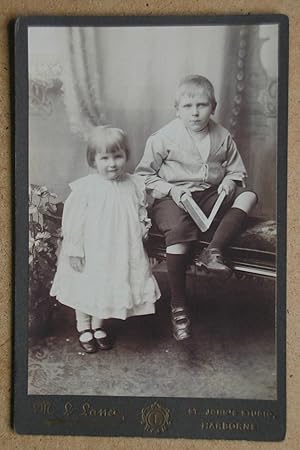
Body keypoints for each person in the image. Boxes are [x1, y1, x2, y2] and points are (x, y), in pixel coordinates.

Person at [135, 74, 257, 341]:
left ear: (213, 107)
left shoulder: (222, 136)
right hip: (173, 198)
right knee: (178, 232)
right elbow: (143, 175)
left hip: (208, 197)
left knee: (248, 195)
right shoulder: (164, 137)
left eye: (201, 105)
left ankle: (213, 251)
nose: (195, 112)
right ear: (177, 109)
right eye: (188, 107)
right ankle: (179, 305)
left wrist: (228, 180)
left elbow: (237, 171)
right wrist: (171, 190)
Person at [50, 126, 160, 353]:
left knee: (107, 285)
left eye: (118, 156)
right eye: (105, 158)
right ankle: (83, 327)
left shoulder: (134, 184)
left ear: (126, 156)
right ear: (93, 160)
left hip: (120, 249)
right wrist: (75, 249)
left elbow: (140, 213)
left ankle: (99, 326)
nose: (112, 164)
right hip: (93, 249)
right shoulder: (86, 188)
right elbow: (73, 223)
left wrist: (143, 234)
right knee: (86, 284)